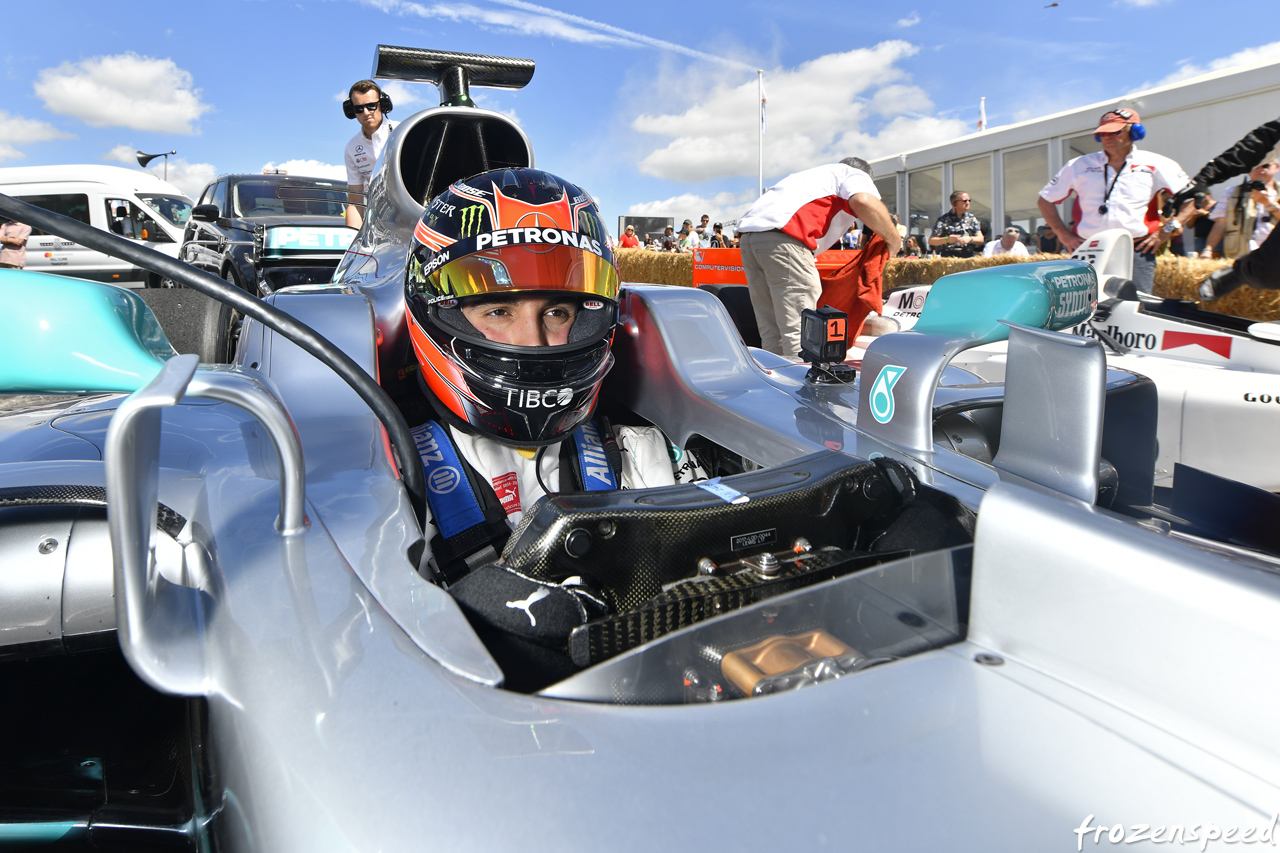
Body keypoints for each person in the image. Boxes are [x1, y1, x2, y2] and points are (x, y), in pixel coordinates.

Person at [400, 169, 708, 643]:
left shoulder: (641, 454)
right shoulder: (393, 478)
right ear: (436, 312)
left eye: (558, 312)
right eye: (498, 310)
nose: (535, 341)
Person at [736, 157, 901, 357]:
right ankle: (797, 385)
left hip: (750, 239)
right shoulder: (852, 174)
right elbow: (863, 200)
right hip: (785, 238)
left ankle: (775, 379)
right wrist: (894, 241)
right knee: (799, 332)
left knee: (772, 331)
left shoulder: (810, 176)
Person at [1037, 108, 1191, 293]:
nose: (1107, 137)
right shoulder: (1079, 165)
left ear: (1135, 132)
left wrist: (1167, 230)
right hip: (1089, 249)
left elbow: (1194, 199)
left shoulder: (1157, 163)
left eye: (1115, 131)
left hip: (1137, 250)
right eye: (1102, 133)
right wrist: (1064, 235)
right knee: (1084, 308)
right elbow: (1045, 200)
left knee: (1135, 305)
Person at [343, 79, 398, 230]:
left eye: (371, 106)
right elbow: (355, 202)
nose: (366, 112)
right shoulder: (351, 148)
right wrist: (351, 245)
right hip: (381, 222)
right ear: (351, 111)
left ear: (384, 105)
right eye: (359, 109)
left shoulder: (404, 131)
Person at [1199, 159, 1279, 260]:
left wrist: (1269, 204)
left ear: (1276, 167)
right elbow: (1221, 224)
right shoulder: (1232, 192)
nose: (1259, 170)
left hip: (1274, 257)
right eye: (1255, 166)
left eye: (1265, 166)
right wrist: (1208, 250)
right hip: (1242, 256)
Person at [929, 191, 984, 258]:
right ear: (954, 203)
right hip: (949, 258)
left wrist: (970, 239)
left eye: (969, 200)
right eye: (965, 201)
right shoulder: (943, 219)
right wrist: (947, 239)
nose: (968, 203)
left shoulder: (971, 218)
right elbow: (931, 241)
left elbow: (981, 239)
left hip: (968, 257)